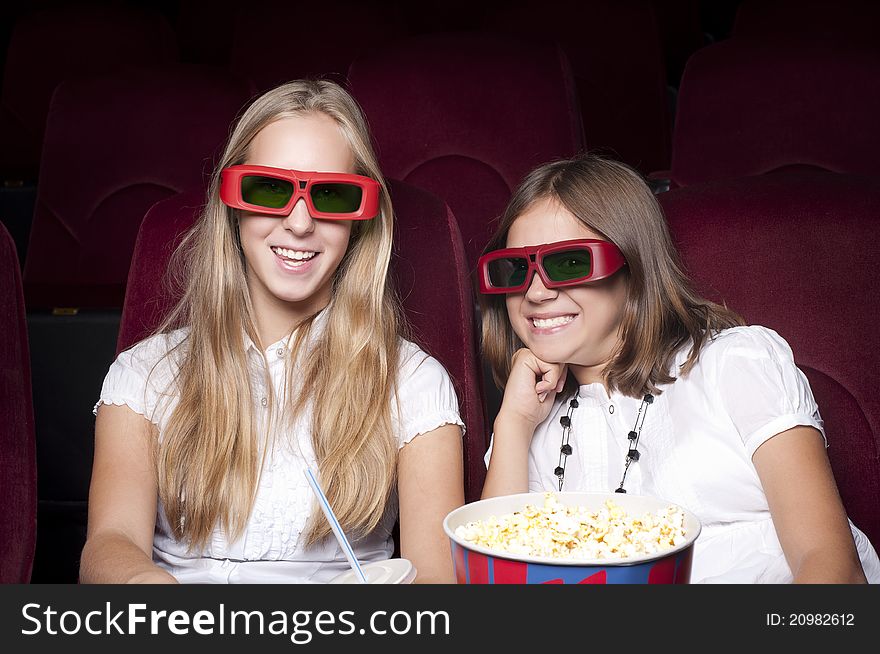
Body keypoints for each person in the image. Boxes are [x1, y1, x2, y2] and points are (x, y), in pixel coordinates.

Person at [80, 80, 464, 584]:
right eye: (270, 188)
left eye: (330, 195)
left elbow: (435, 582)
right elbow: (110, 542)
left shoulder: (413, 383)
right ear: (233, 201)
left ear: (360, 218)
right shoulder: (144, 374)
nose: (300, 222)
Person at [478, 152, 880, 583]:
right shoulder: (532, 430)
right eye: (515, 269)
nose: (536, 292)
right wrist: (515, 422)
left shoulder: (735, 365)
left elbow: (832, 567)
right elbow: (498, 591)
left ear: (633, 267)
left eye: (568, 263)